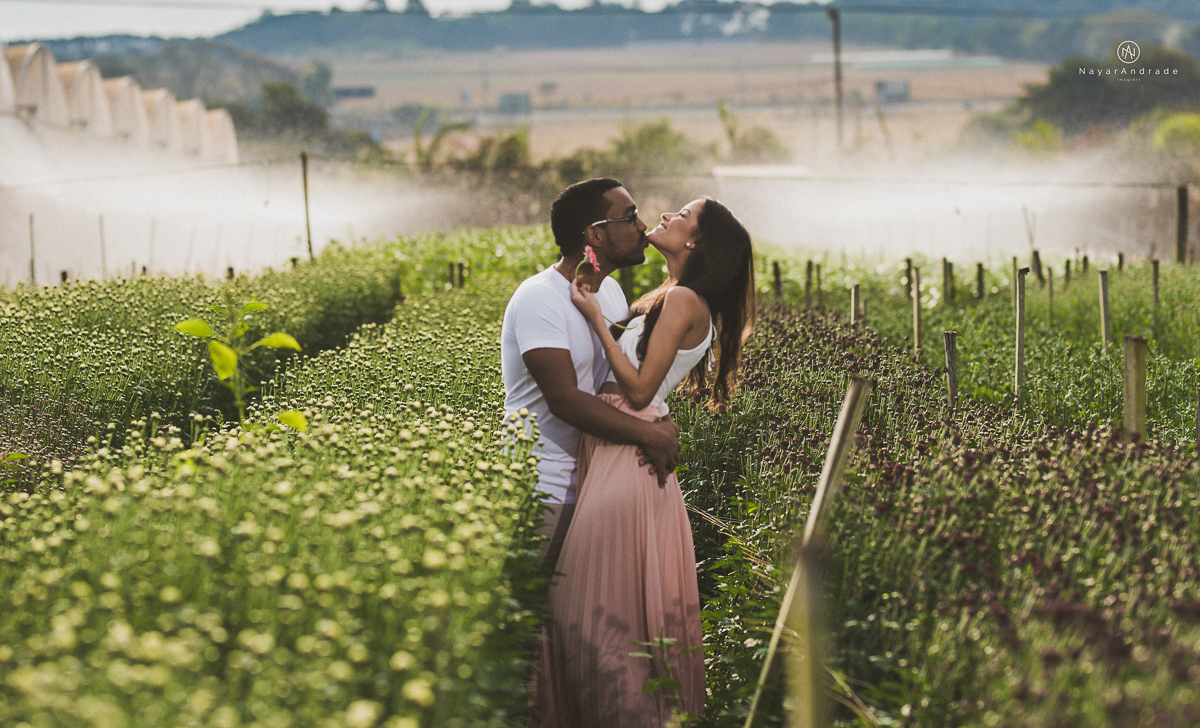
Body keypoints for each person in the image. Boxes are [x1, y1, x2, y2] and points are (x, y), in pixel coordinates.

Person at [543, 197, 756, 727]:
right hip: (614, 450)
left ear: (696, 241)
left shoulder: (684, 299)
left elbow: (637, 392)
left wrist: (593, 317)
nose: (666, 216)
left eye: (683, 214)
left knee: (587, 615)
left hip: (626, 456)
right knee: (600, 613)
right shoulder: (663, 296)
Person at [500, 177, 681, 571]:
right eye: (629, 216)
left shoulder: (611, 293)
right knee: (529, 617)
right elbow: (564, 398)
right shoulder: (540, 297)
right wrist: (649, 434)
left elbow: (614, 384)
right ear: (594, 236)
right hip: (543, 485)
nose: (641, 226)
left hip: (593, 482)